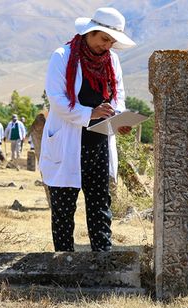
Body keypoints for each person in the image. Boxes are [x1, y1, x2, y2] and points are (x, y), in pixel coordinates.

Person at [39, 7, 135, 252]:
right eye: (104, 39)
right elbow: (57, 100)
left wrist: (119, 117)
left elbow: (118, 96)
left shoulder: (112, 61)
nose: (107, 46)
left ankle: (103, 260)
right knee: (63, 205)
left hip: (98, 140)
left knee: (99, 203)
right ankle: (64, 259)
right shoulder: (62, 56)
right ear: (90, 33)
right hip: (68, 140)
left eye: (112, 41)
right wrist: (89, 113)